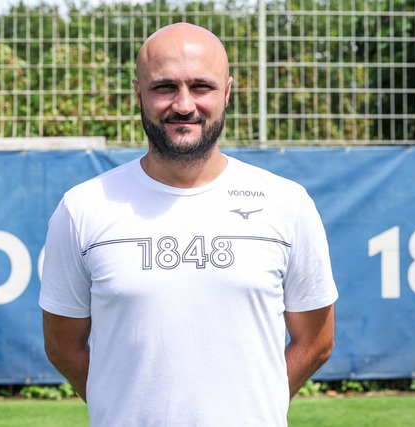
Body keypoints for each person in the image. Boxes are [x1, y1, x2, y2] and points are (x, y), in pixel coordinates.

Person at [39, 22, 338, 427]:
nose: (183, 105)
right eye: (164, 87)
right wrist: (122, 407)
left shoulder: (286, 203)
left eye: (201, 87)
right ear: (138, 94)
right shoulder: (83, 208)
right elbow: (62, 345)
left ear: (227, 92)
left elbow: (316, 340)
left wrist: (256, 406)